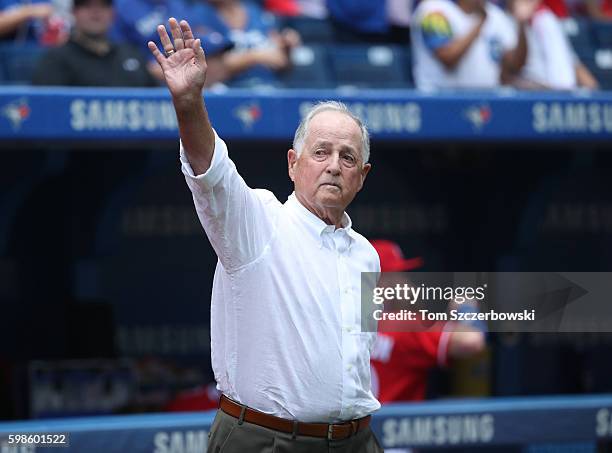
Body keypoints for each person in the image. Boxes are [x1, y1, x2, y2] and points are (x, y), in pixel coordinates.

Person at [148, 17, 383, 453]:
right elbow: (211, 170)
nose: (334, 165)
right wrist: (189, 103)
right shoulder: (258, 222)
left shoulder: (367, 255)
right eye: (321, 152)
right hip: (267, 441)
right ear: (293, 164)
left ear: (362, 176)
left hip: (356, 440)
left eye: (347, 157)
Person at [369, 239, 486, 403]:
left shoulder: (341, 322)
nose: (405, 283)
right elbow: (471, 341)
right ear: (381, 281)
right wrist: (467, 310)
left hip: (355, 426)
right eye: (399, 275)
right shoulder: (402, 324)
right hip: (394, 425)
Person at [410, 0, 537, 90]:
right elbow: (448, 58)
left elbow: (514, 66)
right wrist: (480, 21)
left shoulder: (496, 15)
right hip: (438, 103)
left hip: (485, 103)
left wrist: (521, 24)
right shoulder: (433, 10)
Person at [31, 0, 157, 86]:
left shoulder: (132, 54)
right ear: (74, 12)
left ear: (113, 13)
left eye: (103, 5)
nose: (95, 11)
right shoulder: (55, 59)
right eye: (86, 5)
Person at [187, 0, 300, 87]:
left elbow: (280, 61)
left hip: (270, 88)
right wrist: (254, 56)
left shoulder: (255, 12)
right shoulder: (198, 16)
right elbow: (206, 74)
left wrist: (286, 48)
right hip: (228, 93)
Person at [512, 0, 598, 90]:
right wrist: (521, 24)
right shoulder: (506, 20)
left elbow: (570, 62)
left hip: (554, 93)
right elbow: (509, 72)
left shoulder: (545, 19)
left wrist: (595, 93)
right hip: (532, 91)